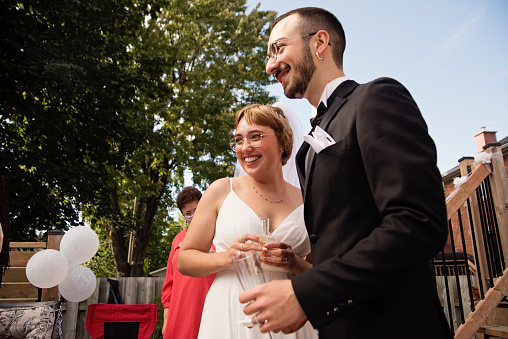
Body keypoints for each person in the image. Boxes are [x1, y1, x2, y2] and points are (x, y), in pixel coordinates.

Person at [239, 7, 453, 339]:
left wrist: (307, 292)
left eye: (278, 48)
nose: (270, 66)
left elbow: (418, 221)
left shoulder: (375, 99)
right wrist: (299, 269)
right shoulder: (306, 149)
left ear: (319, 42)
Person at [178, 104, 318, 339]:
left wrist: (294, 263)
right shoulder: (221, 190)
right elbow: (185, 259)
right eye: (238, 140)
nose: (245, 147)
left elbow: (321, 272)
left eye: (256, 137)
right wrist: (226, 258)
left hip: (288, 317)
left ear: (282, 141)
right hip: (231, 314)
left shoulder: (308, 200)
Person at [161, 186, 216, 339]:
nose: (193, 215)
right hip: (180, 314)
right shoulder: (177, 239)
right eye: (188, 213)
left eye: (196, 210)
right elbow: (169, 283)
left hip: (210, 310)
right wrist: (166, 320)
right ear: (184, 216)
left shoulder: (219, 236)